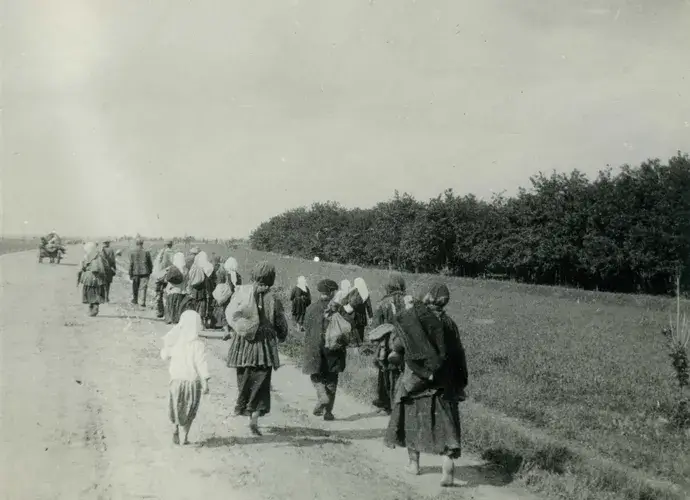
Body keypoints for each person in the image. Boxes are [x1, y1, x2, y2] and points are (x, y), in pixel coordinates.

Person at [384, 283, 468, 487]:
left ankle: (414, 464)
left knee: (411, 420)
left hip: (416, 380)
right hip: (443, 382)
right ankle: (447, 468)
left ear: (427, 298)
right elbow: (458, 354)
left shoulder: (415, 319)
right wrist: (460, 381)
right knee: (448, 425)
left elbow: (398, 346)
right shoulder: (449, 324)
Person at [224, 261, 288, 435]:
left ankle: (242, 405)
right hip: (263, 345)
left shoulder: (243, 292)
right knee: (261, 378)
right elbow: (280, 322)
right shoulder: (272, 299)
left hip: (243, 342)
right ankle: (254, 415)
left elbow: (233, 313)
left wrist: (232, 329)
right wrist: (282, 335)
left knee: (243, 374)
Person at [302, 279, 355, 421]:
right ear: (332, 293)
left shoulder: (311, 308)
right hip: (333, 349)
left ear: (320, 293)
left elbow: (306, 328)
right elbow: (348, 328)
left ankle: (321, 394)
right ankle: (328, 412)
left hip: (315, 349)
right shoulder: (339, 308)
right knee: (332, 379)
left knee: (316, 375)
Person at [160, 310, 210, 445]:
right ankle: (185, 436)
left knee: (175, 407)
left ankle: (175, 429)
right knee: (189, 409)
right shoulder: (198, 345)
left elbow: (164, 355)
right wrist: (205, 381)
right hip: (192, 383)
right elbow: (201, 363)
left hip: (176, 381)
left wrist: (167, 347)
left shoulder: (175, 340)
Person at [370, 272, 408, 414]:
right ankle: (397, 404)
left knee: (387, 373)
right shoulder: (409, 301)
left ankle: (389, 405)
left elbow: (376, 328)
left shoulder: (382, 303)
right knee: (401, 374)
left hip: (387, 345)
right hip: (406, 343)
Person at [212, 257, 242, 332]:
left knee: (224, 310)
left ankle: (224, 326)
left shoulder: (226, 274)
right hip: (234, 295)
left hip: (227, 295)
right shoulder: (238, 275)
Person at [78, 242, 108, 317]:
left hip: (88, 278)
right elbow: (105, 267)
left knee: (89, 292)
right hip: (98, 278)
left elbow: (81, 267)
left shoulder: (86, 257)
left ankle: (93, 308)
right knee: (97, 292)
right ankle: (94, 307)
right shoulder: (100, 256)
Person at [163, 252, 193, 324]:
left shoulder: (171, 268)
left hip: (171, 290)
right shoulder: (186, 270)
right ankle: (177, 319)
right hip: (181, 291)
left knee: (169, 305)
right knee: (178, 306)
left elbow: (166, 280)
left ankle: (169, 318)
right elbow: (187, 281)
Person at [186, 251, 214, 323]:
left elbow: (190, 277)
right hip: (203, 289)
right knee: (202, 305)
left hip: (195, 288)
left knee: (195, 303)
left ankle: (194, 320)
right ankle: (201, 321)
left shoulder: (194, 266)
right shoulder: (207, 267)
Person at [153, 241, 175, 318]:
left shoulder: (162, 252)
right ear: (171, 245)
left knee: (159, 293)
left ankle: (160, 311)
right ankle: (168, 312)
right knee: (168, 294)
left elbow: (157, 264)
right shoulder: (174, 253)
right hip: (170, 275)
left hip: (160, 275)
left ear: (165, 245)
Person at [129, 239, 153, 307]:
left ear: (136, 244)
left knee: (135, 287)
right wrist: (150, 271)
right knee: (143, 288)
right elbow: (150, 263)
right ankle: (142, 302)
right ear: (142, 244)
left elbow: (131, 264)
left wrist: (130, 273)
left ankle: (135, 300)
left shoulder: (133, 252)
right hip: (145, 272)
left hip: (135, 272)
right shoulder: (146, 252)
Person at [349, 277, 373, 346]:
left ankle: (353, 345)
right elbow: (369, 306)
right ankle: (359, 345)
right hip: (361, 316)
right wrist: (370, 316)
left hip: (352, 315)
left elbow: (348, 303)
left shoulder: (352, 291)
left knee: (353, 331)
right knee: (360, 332)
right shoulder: (365, 293)